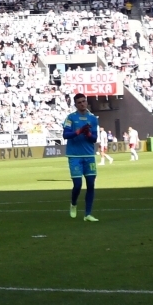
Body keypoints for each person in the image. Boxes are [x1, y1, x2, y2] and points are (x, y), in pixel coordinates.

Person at [62, 94, 100, 222]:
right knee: (77, 185)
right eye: (79, 102)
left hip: (89, 155)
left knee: (91, 184)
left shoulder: (93, 119)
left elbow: (94, 138)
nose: (82, 104)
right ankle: (73, 204)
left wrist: (88, 133)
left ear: (86, 102)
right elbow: (65, 135)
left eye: (84, 101)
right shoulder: (71, 118)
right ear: (76, 105)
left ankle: (88, 214)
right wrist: (78, 131)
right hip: (75, 156)